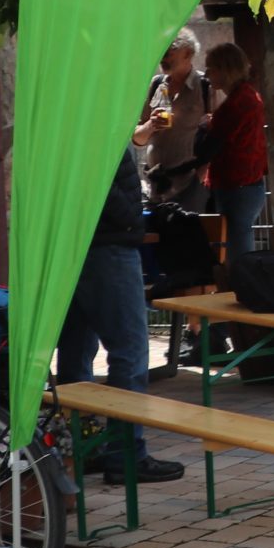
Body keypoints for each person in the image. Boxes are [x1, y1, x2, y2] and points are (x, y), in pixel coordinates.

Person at [57, 119, 183, 484]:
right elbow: (94, 179)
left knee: (76, 349)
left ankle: (84, 447)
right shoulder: (94, 120)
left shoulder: (74, 115)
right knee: (129, 350)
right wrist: (130, 218)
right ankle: (126, 454)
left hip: (79, 243)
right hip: (108, 244)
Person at [197, 41, 267, 256]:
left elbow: (206, 149)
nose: (207, 73)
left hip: (237, 186)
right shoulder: (248, 96)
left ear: (225, 70)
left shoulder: (235, 105)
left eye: (211, 68)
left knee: (237, 253)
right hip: (247, 184)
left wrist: (203, 128)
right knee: (236, 245)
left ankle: (241, 288)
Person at [142, 29, 209, 210]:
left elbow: (221, 132)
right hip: (153, 185)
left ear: (187, 53)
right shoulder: (156, 84)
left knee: (187, 237)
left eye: (168, 51)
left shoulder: (205, 86)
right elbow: (137, 138)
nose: (162, 57)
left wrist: (204, 170)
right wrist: (150, 126)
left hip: (189, 184)